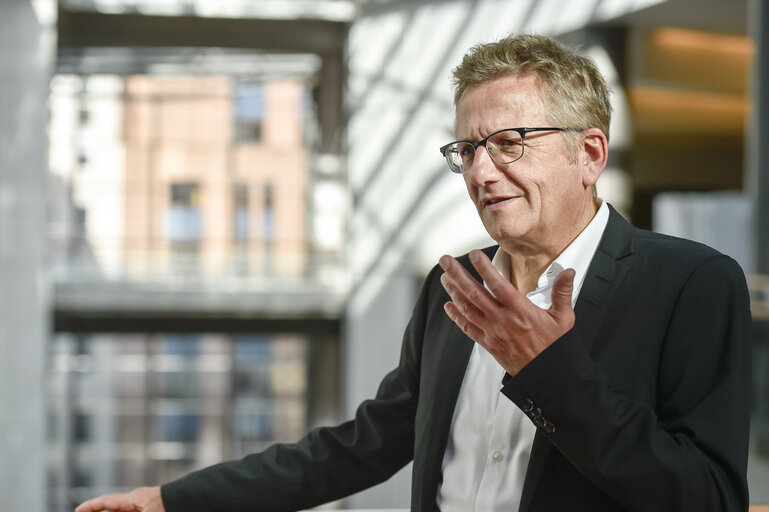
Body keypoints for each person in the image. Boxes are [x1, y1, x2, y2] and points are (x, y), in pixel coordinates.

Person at [76, 34, 751, 512]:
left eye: (510, 142)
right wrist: (175, 500)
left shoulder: (691, 284)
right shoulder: (453, 286)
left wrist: (549, 373)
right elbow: (362, 448)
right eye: (467, 149)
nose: (483, 172)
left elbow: (707, 497)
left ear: (590, 152)